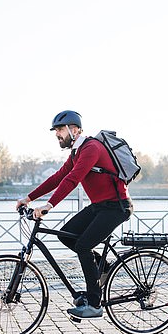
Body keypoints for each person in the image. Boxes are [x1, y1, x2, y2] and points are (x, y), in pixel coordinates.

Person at [16, 110, 133, 319]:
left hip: (117, 207)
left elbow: (73, 180)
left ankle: (95, 304)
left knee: (83, 245)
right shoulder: (76, 152)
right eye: (56, 131)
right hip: (100, 206)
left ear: (75, 129)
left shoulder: (91, 148)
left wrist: (49, 205)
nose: (57, 135)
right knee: (65, 234)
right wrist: (29, 198)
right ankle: (103, 267)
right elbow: (59, 177)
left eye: (60, 129)